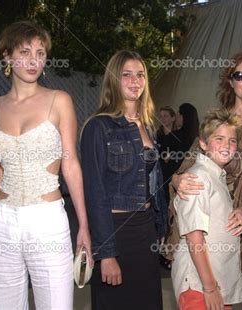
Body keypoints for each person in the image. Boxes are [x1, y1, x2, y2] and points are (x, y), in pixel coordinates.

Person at [0, 20, 91, 309]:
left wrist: (84, 225)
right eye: (25, 52)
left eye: (40, 52)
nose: (34, 60)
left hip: (47, 221)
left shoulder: (59, 100)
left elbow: (71, 163)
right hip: (0, 222)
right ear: (8, 56)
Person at [169, 50, 242, 310]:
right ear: (230, 81)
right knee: (215, 297)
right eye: (240, 74)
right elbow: (190, 166)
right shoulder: (218, 123)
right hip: (216, 232)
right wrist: (177, 181)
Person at [80, 50, 166, 310]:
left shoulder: (148, 125)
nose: (135, 81)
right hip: (116, 232)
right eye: (126, 75)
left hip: (145, 229)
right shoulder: (99, 127)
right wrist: (106, 253)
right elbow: (95, 194)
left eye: (140, 75)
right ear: (113, 80)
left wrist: (160, 226)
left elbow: (153, 181)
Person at [171, 108, 242, 310]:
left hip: (216, 282)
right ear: (203, 144)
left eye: (232, 140)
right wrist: (210, 287)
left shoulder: (216, 176)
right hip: (200, 286)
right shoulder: (199, 177)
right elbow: (194, 237)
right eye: (219, 139)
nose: (227, 145)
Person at [157, 106, 188, 202]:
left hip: (172, 175)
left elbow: (179, 156)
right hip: (158, 174)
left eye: (165, 116)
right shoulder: (157, 136)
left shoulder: (179, 136)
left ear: (173, 118)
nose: (162, 119)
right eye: (161, 116)